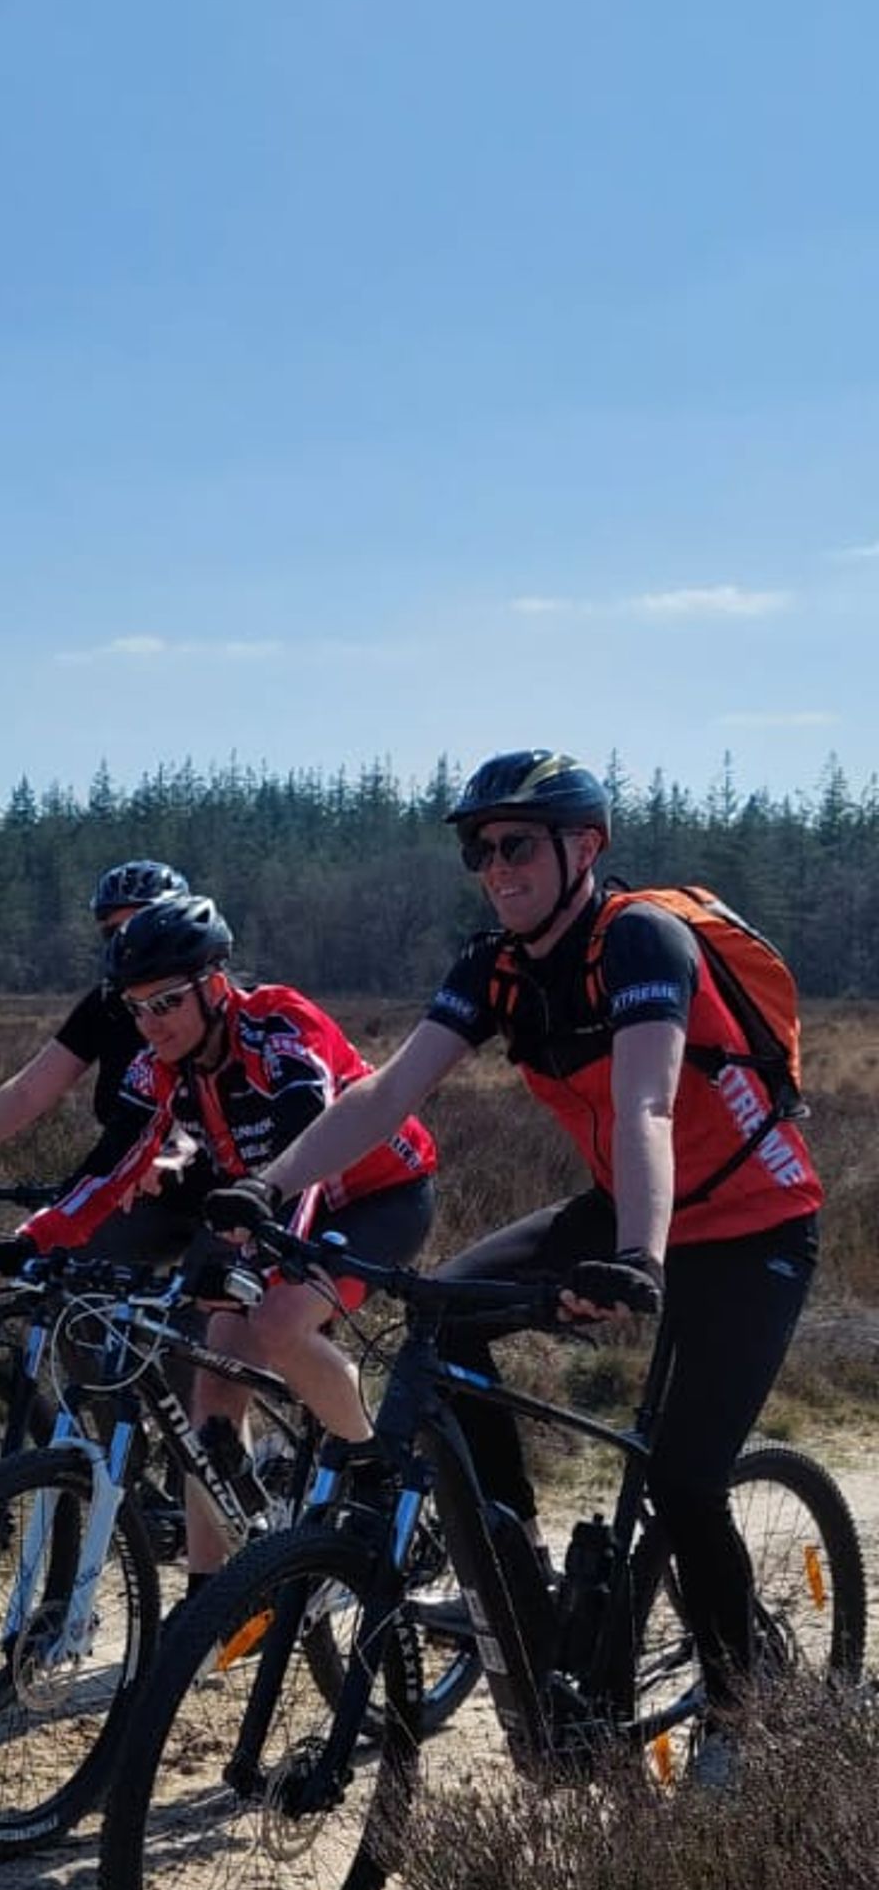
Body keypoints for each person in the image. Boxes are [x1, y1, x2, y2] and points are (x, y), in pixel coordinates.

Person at [232, 750, 822, 1780]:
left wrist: (636, 1260)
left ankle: (743, 1710)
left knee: (684, 1480)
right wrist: (266, 1188)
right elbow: (383, 1096)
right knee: (448, 1311)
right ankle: (518, 1578)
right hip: (633, 1208)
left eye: (514, 845)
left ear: (582, 847)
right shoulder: (495, 965)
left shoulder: (640, 937)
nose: (493, 866)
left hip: (750, 1221)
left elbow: (644, 1102)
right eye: (477, 849)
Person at [0, 893, 438, 1590]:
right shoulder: (161, 1065)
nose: (151, 1023)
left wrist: (262, 1258)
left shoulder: (280, 1026)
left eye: (167, 1003)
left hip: (376, 1194)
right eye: (137, 1008)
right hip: (254, 1208)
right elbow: (115, 1163)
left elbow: (307, 1136)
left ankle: (374, 1475)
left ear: (215, 984)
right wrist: (38, 1240)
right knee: (211, 1395)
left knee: (281, 1321)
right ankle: (207, 1597)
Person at [0, 858, 201, 1264]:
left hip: (226, 1191)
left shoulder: (211, 1004)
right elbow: (29, 1091)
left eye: (144, 924)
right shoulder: (108, 1005)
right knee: (58, 1275)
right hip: (131, 1184)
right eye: (114, 933)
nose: (129, 943)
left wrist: (177, 1150)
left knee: (225, 1311)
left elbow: (208, 1098)